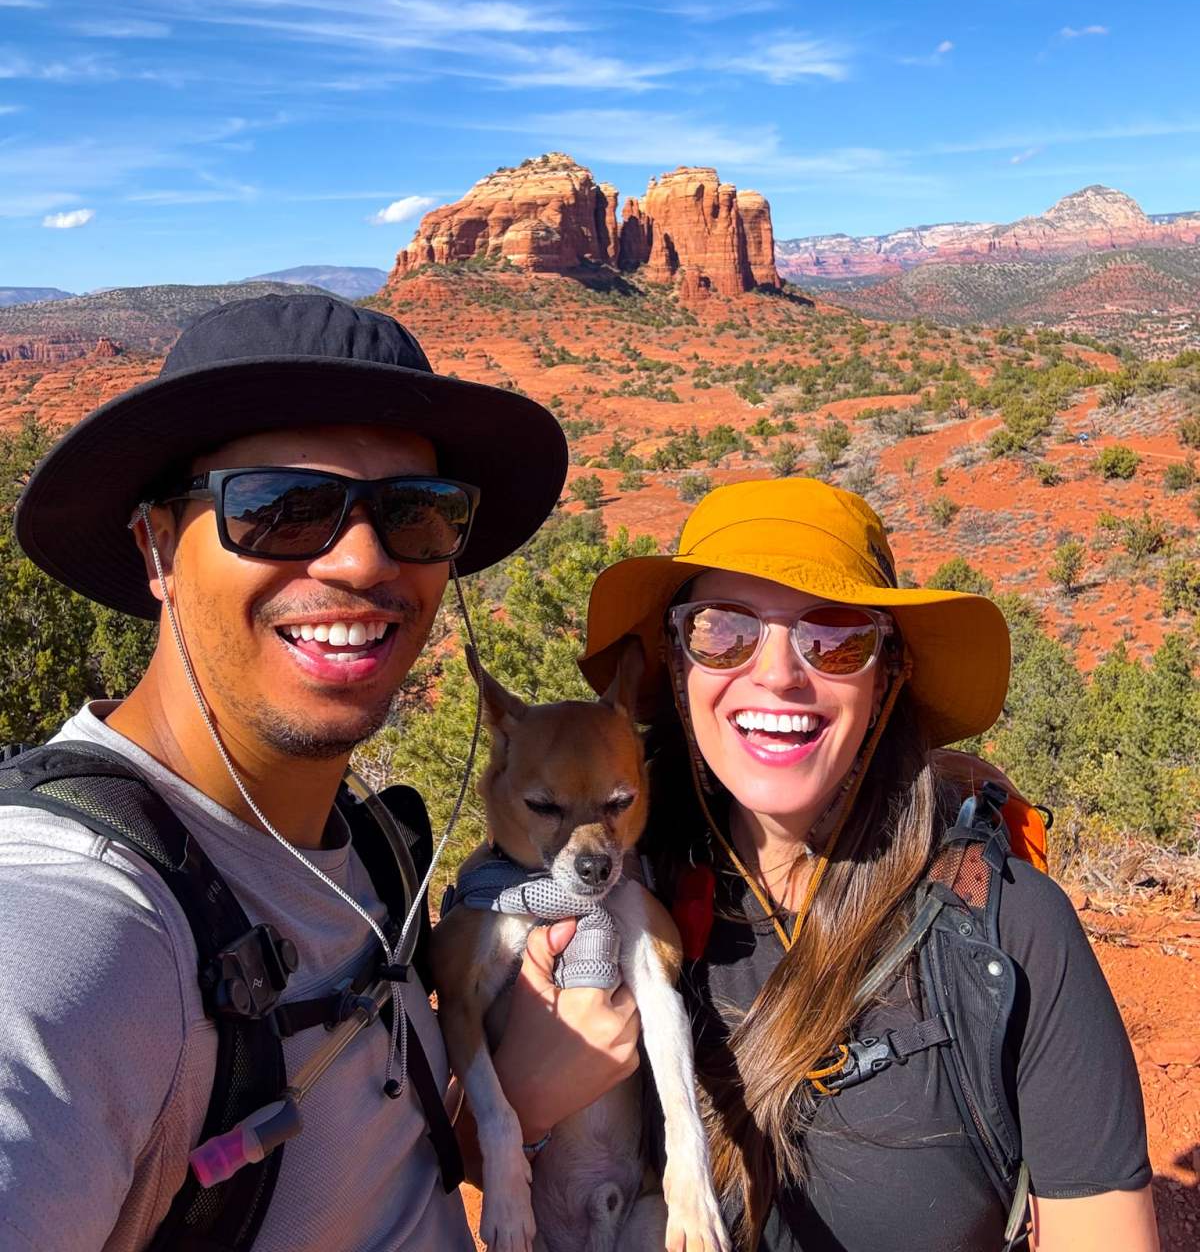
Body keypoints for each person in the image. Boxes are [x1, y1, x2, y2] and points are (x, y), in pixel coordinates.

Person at [0, 293, 640, 1252]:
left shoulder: (367, 844)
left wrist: (519, 1103)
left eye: (416, 512)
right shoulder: (79, 918)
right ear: (157, 547)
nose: (362, 561)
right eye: (280, 507)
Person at [580, 477, 1159, 1252]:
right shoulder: (609, 893)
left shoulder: (1006, 930)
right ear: (676, 665)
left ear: (887, 674)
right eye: (723, 630)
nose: (779, 674)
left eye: (835, 637)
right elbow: (470, 1150)